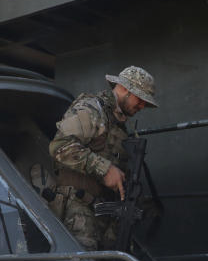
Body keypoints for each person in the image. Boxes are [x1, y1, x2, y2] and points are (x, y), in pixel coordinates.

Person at [48, 66, 158, 250]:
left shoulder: (120, 125)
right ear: (124, 89)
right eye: (140, 100)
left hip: (104, 214)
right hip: (78, 209)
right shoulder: (92, 109)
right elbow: (60, 147)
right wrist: (104, 169)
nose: (142, 106)